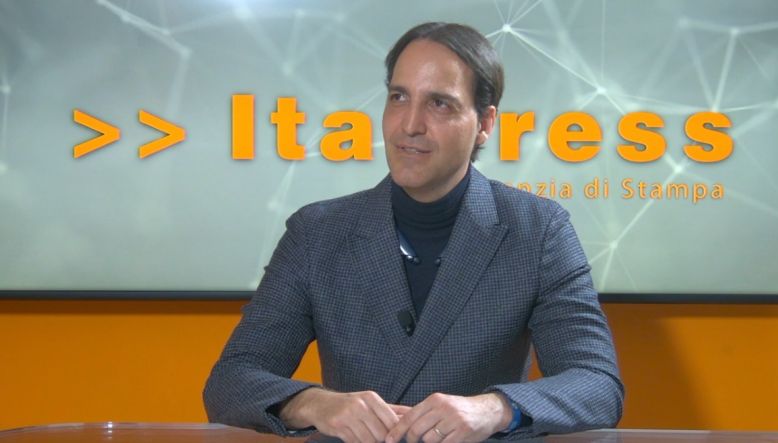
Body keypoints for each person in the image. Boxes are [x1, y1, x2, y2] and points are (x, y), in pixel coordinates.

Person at [204, 22, 623, 442]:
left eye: (439, 103)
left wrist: (495, 409)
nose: (409, 125)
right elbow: (231, 380)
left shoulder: (539, 231)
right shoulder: (316, 233)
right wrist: (314, 403)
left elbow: (598, 385)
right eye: (398, 97)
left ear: (484, 123)